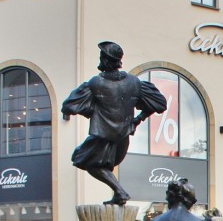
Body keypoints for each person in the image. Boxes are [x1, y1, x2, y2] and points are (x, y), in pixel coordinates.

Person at [61, 41, 167, 206]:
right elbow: (160, 103)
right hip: (122, 136)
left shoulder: (96, 83)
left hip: (102, 136)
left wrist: (91, 112)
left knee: (83, 159)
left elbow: (69, 105)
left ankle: (120, 191)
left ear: (105, 60)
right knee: (94, 163)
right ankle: (119, 193)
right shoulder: (134, 82)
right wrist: (137, 120)